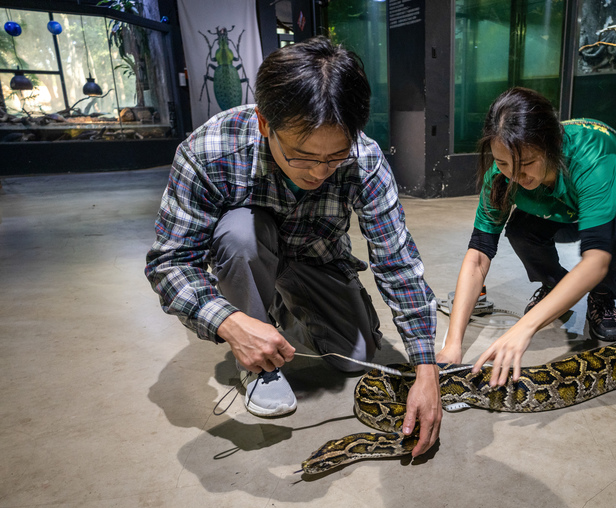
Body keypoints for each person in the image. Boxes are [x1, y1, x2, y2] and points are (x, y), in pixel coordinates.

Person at [145, 37, 441, 458]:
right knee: (239, 232)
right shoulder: (209, 150)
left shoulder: (365, 159)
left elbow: (397, 263)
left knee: (355, 360)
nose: (319, 172)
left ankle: (279, 311)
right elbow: (170, 262)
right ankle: (256, 355)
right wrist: (229, 323)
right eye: (302, 156)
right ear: (266, 124)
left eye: (334, 157)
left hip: (318, 262)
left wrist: (426, 369)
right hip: (247, 253)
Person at [437, 87, 616, 387]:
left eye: (527, 163)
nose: (514, 175)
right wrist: (452, 344)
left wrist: (524, 328)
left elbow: (595, 260)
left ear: (551, 145)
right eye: (503, 163)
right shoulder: (503, 172)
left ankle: (602, 297)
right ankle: (556, 288)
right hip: (567, 207)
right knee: (520, 229)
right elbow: (479, 254)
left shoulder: (591, 155)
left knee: (612, 231)